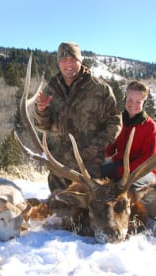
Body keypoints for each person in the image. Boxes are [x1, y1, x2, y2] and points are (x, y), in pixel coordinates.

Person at [34, 41, 122, 193]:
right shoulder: (51, 89)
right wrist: (41, 111)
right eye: (63, 60)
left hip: (88, 164)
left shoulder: (100, 89)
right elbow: (43, 126)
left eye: (72, 59)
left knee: (86, 208)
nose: (68, 64)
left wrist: (96, 147)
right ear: (58, 63)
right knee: (59, 209)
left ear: (80, 60)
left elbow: (115, 121)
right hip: (60, 165)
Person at [101, 80, 156, 187]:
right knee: (92, 175)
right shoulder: (118, 121)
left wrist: (122, 171)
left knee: (127, 186)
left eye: (138, 102)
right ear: (125, 99)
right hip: (119, 165)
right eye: (130, 100)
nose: (133, 104)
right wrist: (95, 154)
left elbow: (148, 159)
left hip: (144, 170)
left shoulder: (150, 127)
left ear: (144, 103)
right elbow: (110, 149)